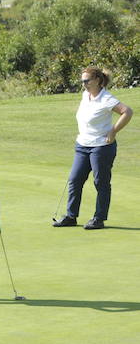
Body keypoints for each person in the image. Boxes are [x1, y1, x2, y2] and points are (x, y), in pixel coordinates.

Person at [52, 67, 132, 229]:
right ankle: (71, 216)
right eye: (82, 81)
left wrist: (113, 130)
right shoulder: (85, 95)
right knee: (74, 180)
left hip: (102, 147)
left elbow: (127, 112)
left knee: (100, 182)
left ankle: (99, 218)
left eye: (87, 81)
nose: (84, 84)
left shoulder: (106, 98)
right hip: (83, 145)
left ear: (97, 80)